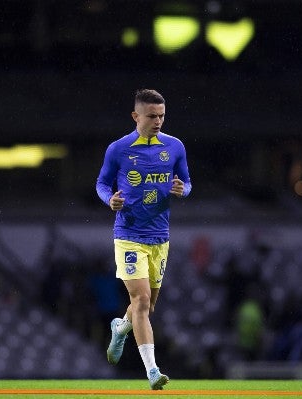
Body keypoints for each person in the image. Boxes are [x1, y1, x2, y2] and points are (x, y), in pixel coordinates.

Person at [96, 89, 192, 390]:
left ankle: (120, 328)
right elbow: (101, 183)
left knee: (148, 307)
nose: (158, 121)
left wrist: (182, 190)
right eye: (152, 116)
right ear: (136, 116)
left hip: (160, 236)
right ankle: (153, 372)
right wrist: (108, 199)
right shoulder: (119, 149)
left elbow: (186, 181)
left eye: (162, 115)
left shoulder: (175, 147)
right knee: (140, 300)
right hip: (129, 235)